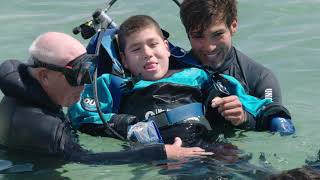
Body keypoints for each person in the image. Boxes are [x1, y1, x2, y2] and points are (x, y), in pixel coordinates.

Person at [0, 32, 215, 164]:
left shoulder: (26, 89)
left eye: (88, 73)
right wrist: (161, 152)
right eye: (77, 75)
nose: (85, 84)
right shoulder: (44, 128)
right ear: (45, 76)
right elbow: (88, 159)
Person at [68, 15, 275, 147]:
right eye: (136, 49)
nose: (147, 54)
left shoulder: (196, 75)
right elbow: (83, 115)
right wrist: (130, 127)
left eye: (153, 44)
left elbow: (247, 100)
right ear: (124, 60)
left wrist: (272, 117)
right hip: (165, 159)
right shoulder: (113, 85)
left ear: (166, 48)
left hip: (213, 147)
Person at [177, 0, 287, 130]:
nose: (209, 47)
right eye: (198, 36)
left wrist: (244, 118)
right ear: (188, 34)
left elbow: (276, 126)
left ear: (233, 26)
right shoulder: (171, 70)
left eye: (217, 34)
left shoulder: (260, 78)